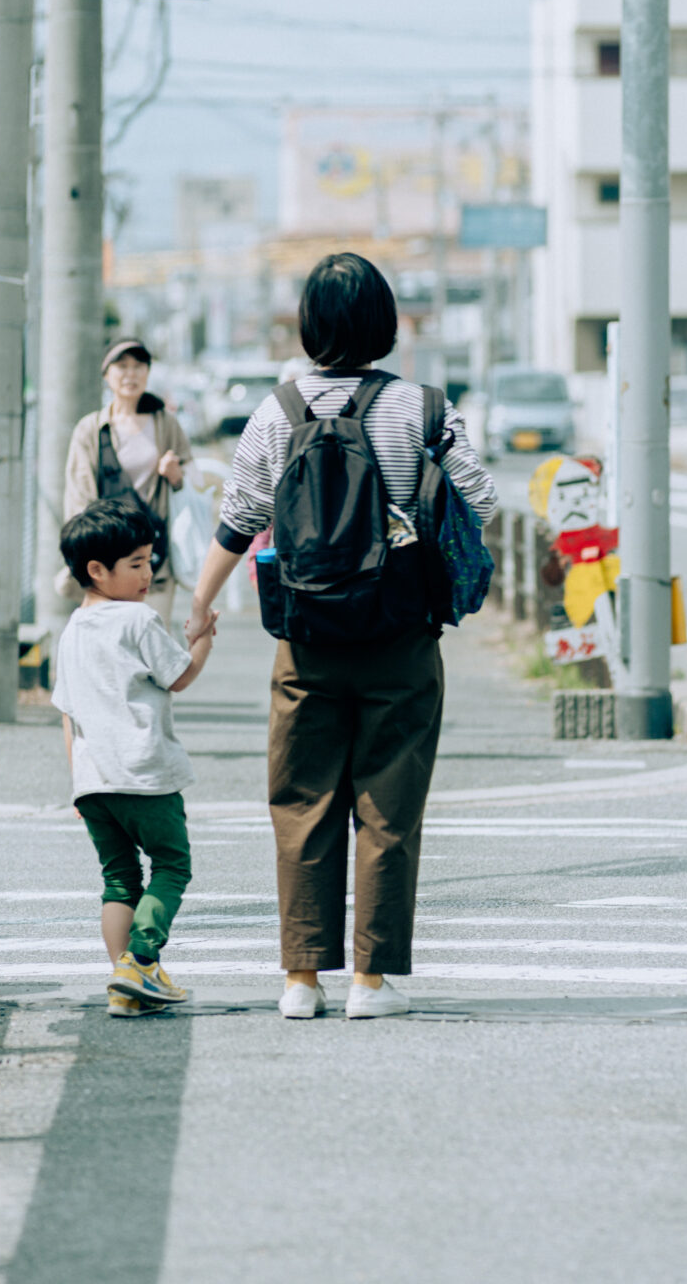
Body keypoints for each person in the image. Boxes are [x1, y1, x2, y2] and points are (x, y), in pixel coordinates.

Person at [183, 252, 496, 1022]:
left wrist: (199, 605)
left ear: (309, 325)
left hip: (307, 635)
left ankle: (300, 980)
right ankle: (370, 983)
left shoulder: (276, 413)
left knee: (301, 801)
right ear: (384, 323)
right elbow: (483, 498)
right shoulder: (423, 410)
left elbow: (240, 518)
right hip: (401, 633)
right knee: (388, 805)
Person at [53, 499, 217, 1019]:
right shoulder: (139, 619)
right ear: (97, 571)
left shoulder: (72, 631)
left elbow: (67, 714)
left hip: (94, 780)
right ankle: (141, 959)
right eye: (137, 564)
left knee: (120, 879)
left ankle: (125, 982)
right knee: (172, 865)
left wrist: (77, 781)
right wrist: (202, 640)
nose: (149, 573)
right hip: (145, 773)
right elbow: (180, 676)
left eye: (150, 560)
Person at [63, 339, 194, 625]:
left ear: (148, 372)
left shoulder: (165, 423)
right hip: (108, 560)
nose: (130, 374)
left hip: (154, 557)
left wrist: (174, 474)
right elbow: (79, 498)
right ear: (106, 373)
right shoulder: (91, 429)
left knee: (153, 637)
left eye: (138, 366)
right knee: (110, 643)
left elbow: (190, 483)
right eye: (121, 366)